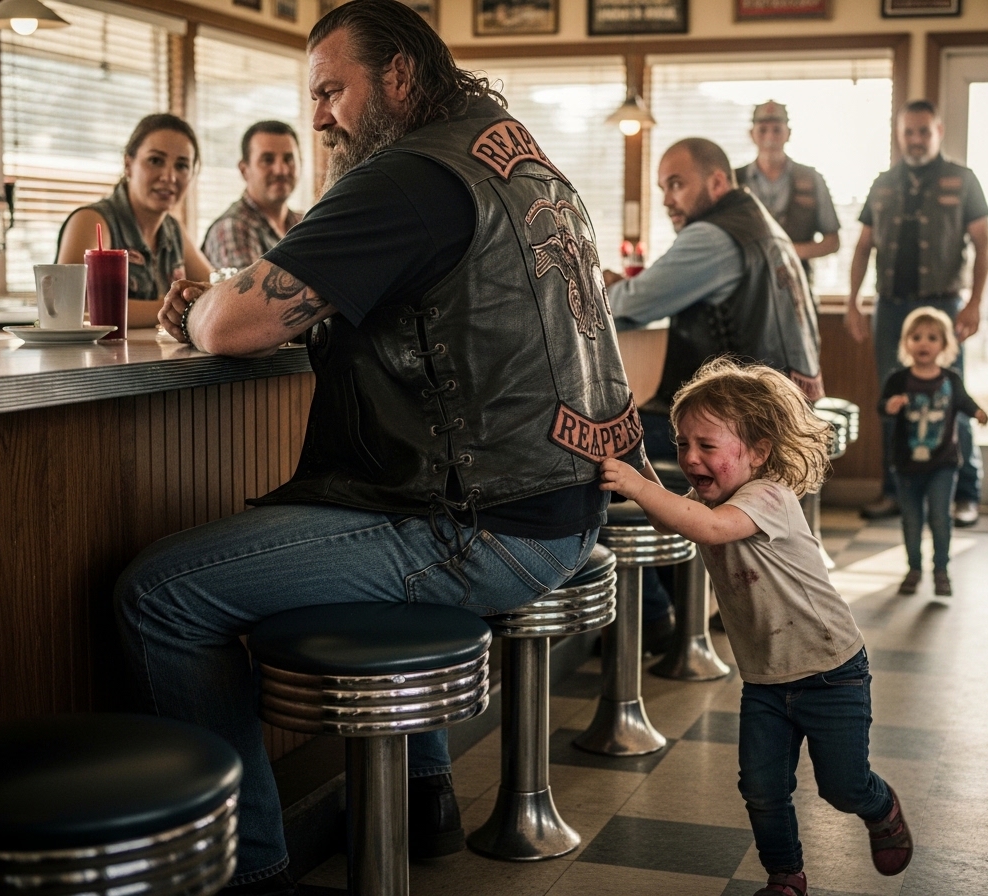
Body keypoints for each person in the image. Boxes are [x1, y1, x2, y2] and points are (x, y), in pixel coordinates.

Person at [117, 2, 645, 892]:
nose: (319, 116)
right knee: (334, 518)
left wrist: (205, 301)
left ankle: (255, 868)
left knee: (161, 593)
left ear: (398, 75)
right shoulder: (518, 157)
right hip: (560, 502)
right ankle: (426, 795)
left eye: (332, 91)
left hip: (482, 522)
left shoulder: (409, 176)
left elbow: (234, 321)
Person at [598, 357, 913, 896]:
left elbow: (707, 527)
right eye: (682, 445)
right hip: (767, 680)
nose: (691, 458)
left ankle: (880, 807)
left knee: (842, 786)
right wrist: (639, 466)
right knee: (762, 788)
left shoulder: (768, 498)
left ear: (759, 452)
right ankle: (785, 876)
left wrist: (634, 481)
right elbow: (675, 512)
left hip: (831, 671)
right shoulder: (706, 500)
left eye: (708, 446)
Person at [604, 136, 822, 642]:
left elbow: (633, 302)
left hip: (743, 426)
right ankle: (677, 610)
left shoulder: (713, 237)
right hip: (776, 415)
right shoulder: (763, 226)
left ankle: (652, 619)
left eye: (677, 184)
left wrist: (609, 286)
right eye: (663, 187)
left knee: (612, 456)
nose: (667, 199)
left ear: (718, 182)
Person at [846, 99, 988, 527]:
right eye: (908, 131)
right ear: (898, 133)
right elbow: (862, 246)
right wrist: (854, 301)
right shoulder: (883, 183)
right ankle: (895, 491)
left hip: (942, 307)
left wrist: (976, 302)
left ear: (938, 131)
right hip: (890, 308)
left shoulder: (963, 181)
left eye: (923, 131)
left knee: (951, 399)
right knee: (893, 400)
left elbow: (984, 244)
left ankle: (965, 495)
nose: (915, 139)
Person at [56, 113, 212, 329]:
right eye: (155, 161)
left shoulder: (173, 229)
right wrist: (179, 307)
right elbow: (73, 305)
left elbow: (214, 288)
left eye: (182, 165)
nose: (169, 177)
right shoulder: (92, 220)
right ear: (128, 164)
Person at [883, 307, 988, 597]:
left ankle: (941, 570)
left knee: (941, 517)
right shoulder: (898, 380)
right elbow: (882, 407)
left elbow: (964, 402)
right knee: (911, 520)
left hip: (943, 463)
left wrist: (977, 411)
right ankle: (914, 568)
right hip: (907, 465)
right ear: (906, 344)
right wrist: (890, 406)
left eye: (931, 337)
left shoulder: (950, 380)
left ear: (944, 345)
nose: (923, 343)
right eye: (916, 337)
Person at [735, 100, 841, 285]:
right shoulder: (735, 180)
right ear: (752, 134)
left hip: (797, 282)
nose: (770, 136)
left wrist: (788, 251)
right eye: (763, 129)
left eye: (777, 129)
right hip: (747, 283)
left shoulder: (811, 179)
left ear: (788, 134)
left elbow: (832, 241)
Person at [202, 120, 305, 270]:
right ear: (244, 170)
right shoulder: (233, 227)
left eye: (288, 159)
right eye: (267, 160)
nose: (281, 170)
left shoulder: (304, 222)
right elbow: (248, 292)